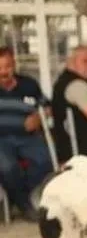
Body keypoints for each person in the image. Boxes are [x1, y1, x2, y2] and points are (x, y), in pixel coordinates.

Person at [0, 47, 50, 219]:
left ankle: (24, 194)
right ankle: (24, 204)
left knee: (45, 160)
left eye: (7, 67)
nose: (3, 72)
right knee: (7, 167)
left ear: (14, 65)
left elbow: (47, 107)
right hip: (1, 139)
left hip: (27, 136)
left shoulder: (29, 84)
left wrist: (38, 117)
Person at [50, 45, 87, 163]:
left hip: (67, 150)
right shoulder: (78, 85)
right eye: (85, 61)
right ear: (71, 62)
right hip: (84, 153)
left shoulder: (62, 81)